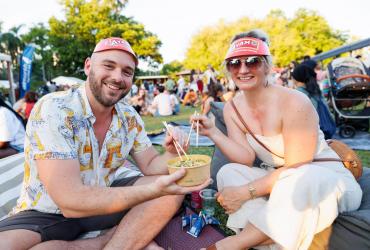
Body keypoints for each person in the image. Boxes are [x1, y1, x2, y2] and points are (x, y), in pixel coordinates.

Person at [0, 37, 210, 250]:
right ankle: (104, 239)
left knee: (172, 191)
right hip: (46, 211)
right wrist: (153, 190)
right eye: (109, 66)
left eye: (127, 72)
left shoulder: (129, 116)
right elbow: (69, 200)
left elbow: (150, 165)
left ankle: (107, 245)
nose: (118, 77)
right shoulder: (54, 108)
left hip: (104, 199)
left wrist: (171, 153)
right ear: (88, 66)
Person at [191, 30, 362, 250]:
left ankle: (233, 244)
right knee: (228, 172)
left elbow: (297, 167)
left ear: (266, 66)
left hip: (322, 179)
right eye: (235, 63)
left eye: (252, 61)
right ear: (228, 69)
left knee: (302, 178)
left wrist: (246, 192)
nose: (243, 69)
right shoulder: (232, 108)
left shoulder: (294, 101)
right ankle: (285, 232)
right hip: (277, 185)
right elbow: (245, 157)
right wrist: (213, 133)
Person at [292, 64, 336, 139]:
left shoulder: (296, 94)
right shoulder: (317, 91)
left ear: (296, 78)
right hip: (327, 129)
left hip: (312, 134)